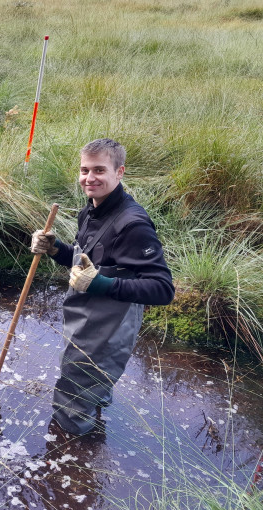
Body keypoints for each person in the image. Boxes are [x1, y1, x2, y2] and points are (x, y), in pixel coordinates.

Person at [31, 138, 174, 435]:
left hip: (110, 327)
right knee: (90, 388)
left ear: (119, 172)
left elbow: (162, 289)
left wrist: (102, 284)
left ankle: (71, 460)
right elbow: (88, 262)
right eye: (84, 170)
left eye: (99, 170)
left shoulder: (132, 223)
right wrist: (56, 248)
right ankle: (91, 432)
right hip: (85, 319)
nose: (89, 178)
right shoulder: (91, 210)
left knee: (73, 397)